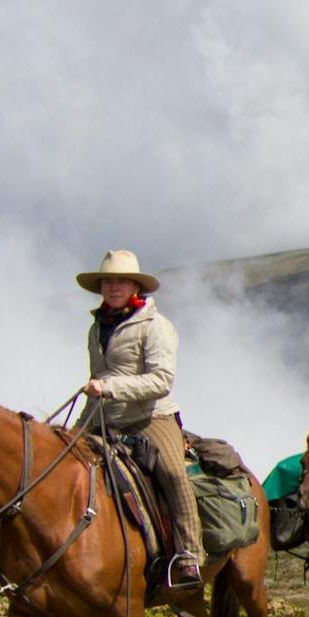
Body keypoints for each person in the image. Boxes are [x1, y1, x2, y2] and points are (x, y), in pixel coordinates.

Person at [75, 250, 200, 586]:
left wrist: (109, 387)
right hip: (104, 417)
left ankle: (189, 554)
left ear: (135, 286)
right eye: (107, 281)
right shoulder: (96, 328)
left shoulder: (156, 327)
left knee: (173, 473)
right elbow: (98, 380)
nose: (113, 287)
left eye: (121, 281)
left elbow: (161, 381)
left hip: (151, 417)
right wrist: (76, 430)